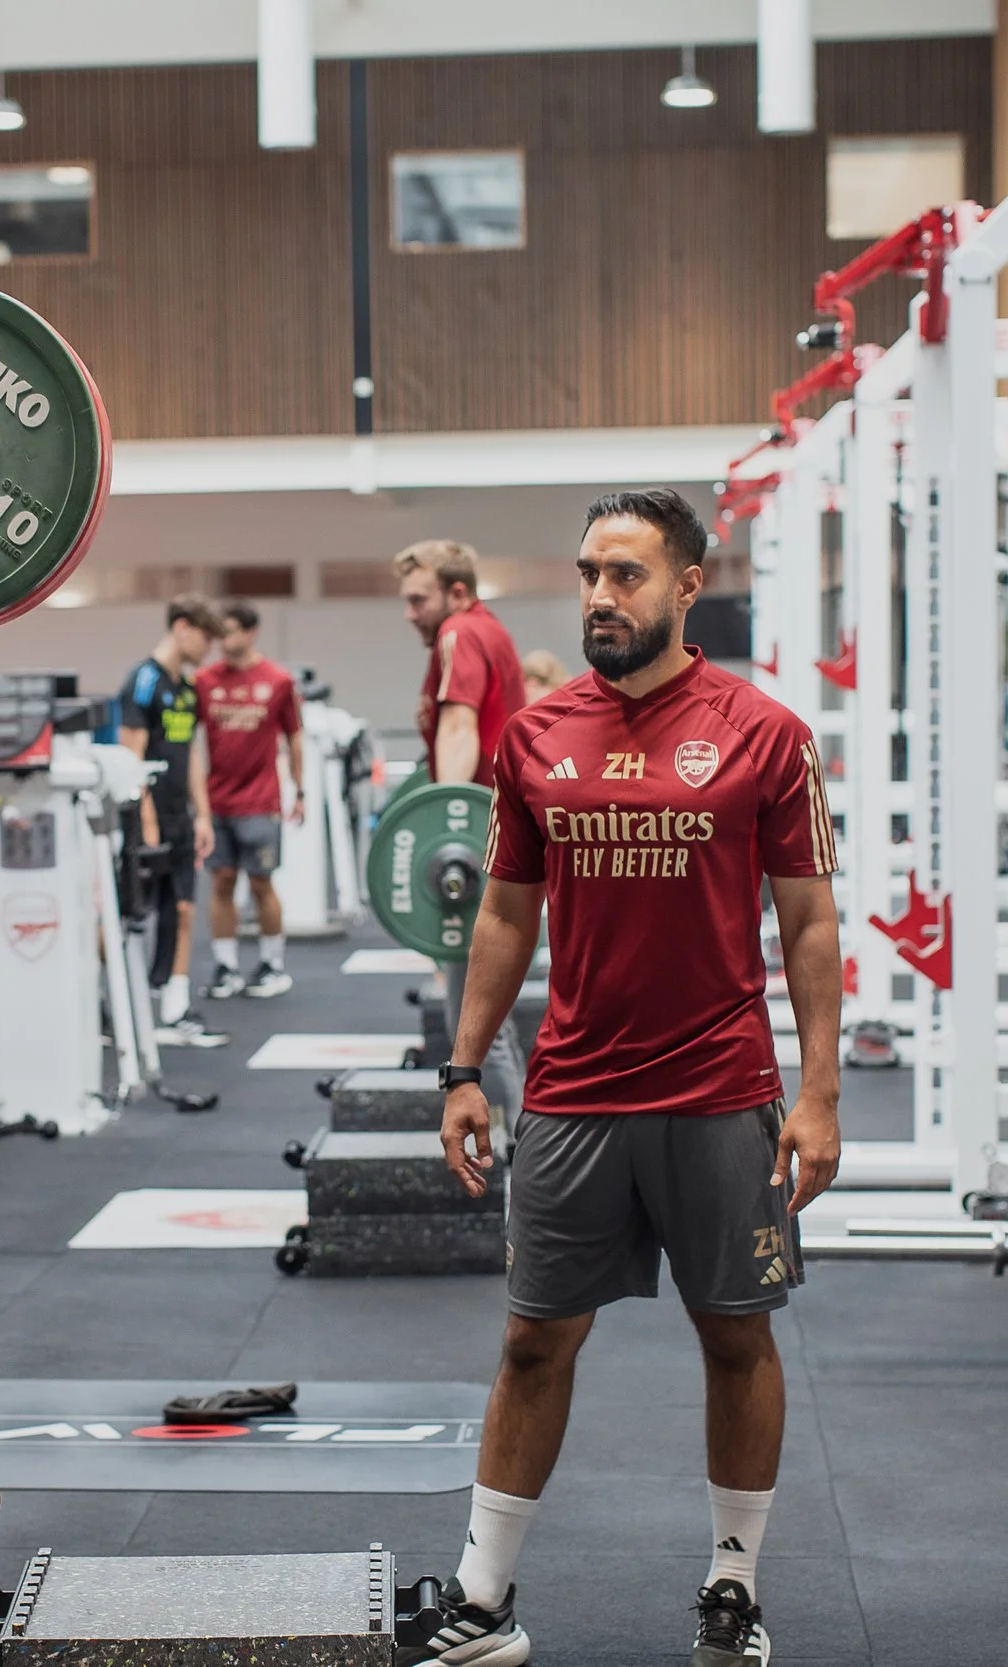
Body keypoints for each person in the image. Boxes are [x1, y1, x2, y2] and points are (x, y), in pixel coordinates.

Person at [405, 489, 843, 1667]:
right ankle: (484, 1600)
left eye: (628, 574)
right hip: (572, 1092)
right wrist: (461, 1067)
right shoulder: (536, 732)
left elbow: (807, 923)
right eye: (590, 572)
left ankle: (732, 1588)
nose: (601, 594)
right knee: (532, 1340)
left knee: (736, 1336)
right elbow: (504, 910)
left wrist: (819, 1092)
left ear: (689, 584)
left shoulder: (765, 733)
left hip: (718, 1091)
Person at [394, 539, 527, 1117]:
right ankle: (525, 1137)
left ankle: (514, 1165)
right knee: (486, 1018)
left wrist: (440, 826)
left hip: (479, 846)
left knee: (471, 1031)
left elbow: (458, 729)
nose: (410, 614)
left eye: (418, 599)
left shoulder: (460, 633)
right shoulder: (487, 627)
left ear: (457, 592)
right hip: (497, 837)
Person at [117, 596, 225, 1047]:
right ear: (182, 627)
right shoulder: (143, 681)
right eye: (205, 638)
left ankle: (176, 1007)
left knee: (182, 907)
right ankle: (117, 1003)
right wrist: (146, 821)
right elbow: (130, 757)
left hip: (181, 816)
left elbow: (192, 754)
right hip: (148, 819)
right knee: (133, 916)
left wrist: (203, 815)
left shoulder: (188, 688)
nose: (208, 649)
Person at [192, 600, 304, 1000]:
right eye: (221, 633)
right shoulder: (204, 681)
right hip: (218, 801)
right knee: (221, 882)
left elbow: (294, 737)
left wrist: (300, 790)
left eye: (233, 631)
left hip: (261, 801)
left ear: (251, 632)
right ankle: (226, 966)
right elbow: (190, 741)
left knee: (261, 883)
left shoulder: (278, 681)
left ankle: (272, 964)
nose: (225, 640)